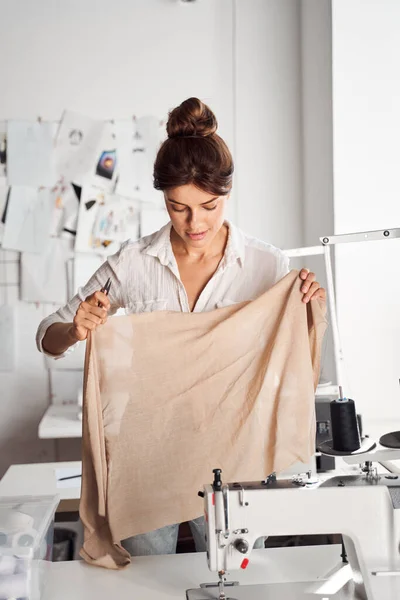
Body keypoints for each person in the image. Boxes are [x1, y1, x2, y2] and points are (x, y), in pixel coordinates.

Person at [36, 97, 326, 556]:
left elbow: (286, 369)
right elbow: (47, 332)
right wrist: (76, 329)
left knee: (238, 570)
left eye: (209, 206)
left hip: (235, 450)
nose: (196, 223)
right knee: (149, 579)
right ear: (164, 200)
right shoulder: (132, 263)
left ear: (227, 194)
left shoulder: (267, 265)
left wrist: (308, 315)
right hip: (149, 451)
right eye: (179, 208)